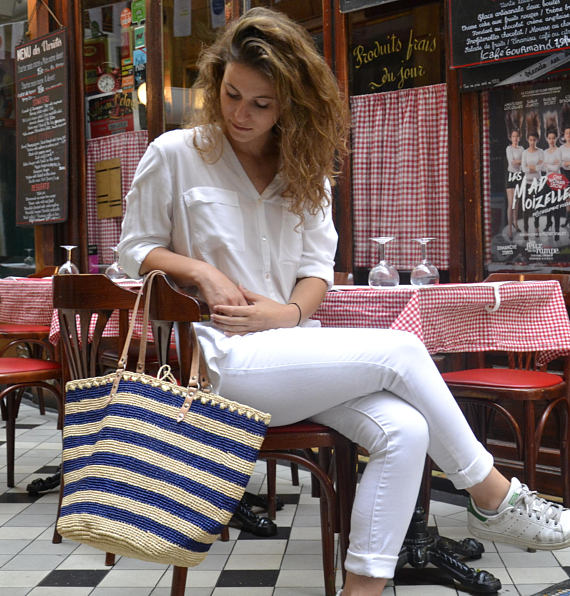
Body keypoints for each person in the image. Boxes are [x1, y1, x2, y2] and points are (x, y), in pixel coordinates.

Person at [118, 8, 570, 595]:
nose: (240, 113)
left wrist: (287, 313)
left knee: (406, 429)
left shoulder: (306, 170)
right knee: (402, 349)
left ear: (291, 105)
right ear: (216, 82)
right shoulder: (175, 153)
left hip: (294, 353)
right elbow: (134, 250)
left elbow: (316, 272)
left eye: (262, 103)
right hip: (218, 359)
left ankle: (363, 590)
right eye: (231, 94)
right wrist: (199, 270)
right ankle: (494, 498)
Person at [521, 131, 544, 236]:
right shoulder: (525, 153)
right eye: (530, 140)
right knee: (526, 208)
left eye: (534, 140)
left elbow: (541, 167)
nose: (532, 142)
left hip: (537, 183)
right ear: (528, 140)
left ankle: (536, 227)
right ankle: (526, 229)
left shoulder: (540, 152)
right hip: (527, 183)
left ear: (537, 140)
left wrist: (530, 166)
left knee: (537, 207)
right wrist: (535, 166)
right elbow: (523, 168)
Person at [542, 129, 563, 239]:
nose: (551, 140)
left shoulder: (559, 151)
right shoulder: (544, 152)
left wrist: (547, 164)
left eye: (553, 138)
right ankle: (548, 223)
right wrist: (551, 164)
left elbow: (556, 168)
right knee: (548, 205)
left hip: (556, 181)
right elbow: (542, 168)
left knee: (556, 206)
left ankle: (557, 230)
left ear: (556, 139)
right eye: (549, 138)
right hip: (547, 180)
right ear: (547, 139)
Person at [505, 129, 523, 240]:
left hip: (519, 176)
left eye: (517, 136)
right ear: (511, 138)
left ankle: (515, 224)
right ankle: (510, 230)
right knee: (511, 203)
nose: (515, 138)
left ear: (519, 138)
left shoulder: (522, 149)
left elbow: (524, 162)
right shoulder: (509, 148)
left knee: (516, 202)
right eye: (513, 136)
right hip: (511, 175)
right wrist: (521, 161)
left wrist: (520, 161)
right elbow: (512, 162)